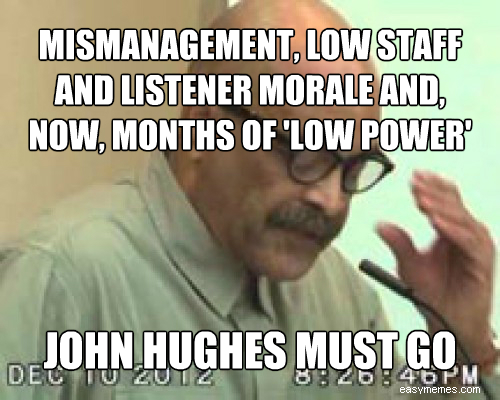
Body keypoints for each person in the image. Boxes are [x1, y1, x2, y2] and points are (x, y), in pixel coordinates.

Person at [0, 0, 498, 399]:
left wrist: (461, 348)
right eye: (304, 152)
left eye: (352, 167)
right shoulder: (61, 279)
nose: (331, 200)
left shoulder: (341, 296)